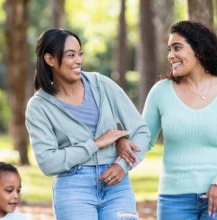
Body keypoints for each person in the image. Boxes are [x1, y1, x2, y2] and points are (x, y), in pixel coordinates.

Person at [25, 28, 150, 220]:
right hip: (73, 188)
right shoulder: (39, 106)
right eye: (70, 55)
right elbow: (48, 162)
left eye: (80, 54)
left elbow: (141, 131)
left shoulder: (101, 85)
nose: (78, 60)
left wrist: (122, 165)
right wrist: (96, 143)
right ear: (50, 59)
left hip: (117, 186)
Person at [142, 20, 217, 220]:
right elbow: (142, 141)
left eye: (177, 48)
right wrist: (115, 163)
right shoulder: (160, 92)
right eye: (169, 49)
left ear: (198, 50)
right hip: (173, 200)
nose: (170, 55)